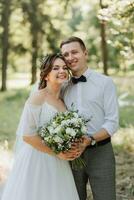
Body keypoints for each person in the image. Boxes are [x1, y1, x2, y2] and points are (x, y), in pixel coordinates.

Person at [1, 54, 80, 200]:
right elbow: (27, 136)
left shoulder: (63, 100)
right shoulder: (38, 97)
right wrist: (57, 153)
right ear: (46, 75)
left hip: (59, 162)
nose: (61, 71)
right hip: (37, 159)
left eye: (64, 67)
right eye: (55, 68)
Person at [60, 36, 119, 200]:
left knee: (105, 196)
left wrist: (90, 139)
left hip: (101, 152)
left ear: (85, 53)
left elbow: (113, 122)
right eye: (66, 54)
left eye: (74, 52)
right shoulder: (62, 87)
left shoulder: (105, 83)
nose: (70, 57)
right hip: (71, 154)